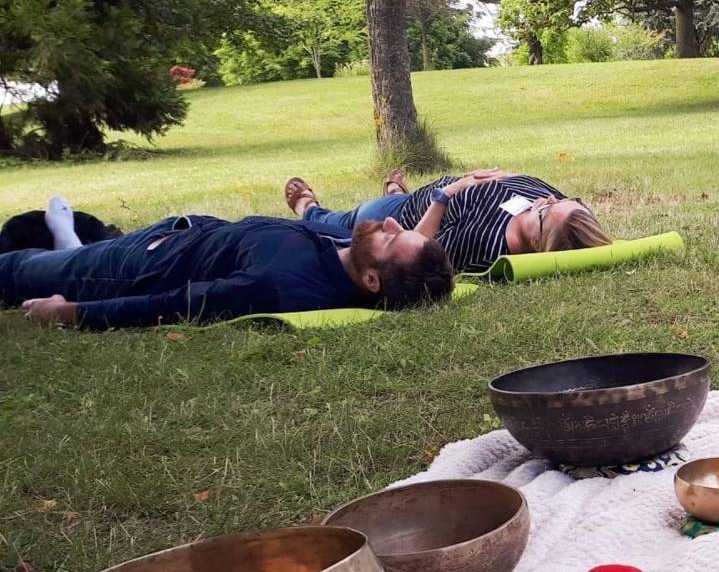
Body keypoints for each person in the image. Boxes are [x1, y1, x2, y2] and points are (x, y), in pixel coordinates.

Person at [1, 214, 452, 330]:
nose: (390, 223)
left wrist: (70, 313)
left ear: (372, 280)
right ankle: (71, 241)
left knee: (19, 269)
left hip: (138, 265)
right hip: (188, 230)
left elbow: (178, 304)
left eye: (391, 238)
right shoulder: (347, 250)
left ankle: (67, 247)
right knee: (65, 253)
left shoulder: (278, 285)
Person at [285, 167, 613, 274]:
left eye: (545, 211)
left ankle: (307, 207)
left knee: (340, 221)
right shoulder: (559, 211)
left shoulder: (484, 244)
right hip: (431, 191)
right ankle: (397, 188)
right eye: (563, 199)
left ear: (539, 243)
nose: (547, 199)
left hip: (397, 215)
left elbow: (418, 244)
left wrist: (446, 195)